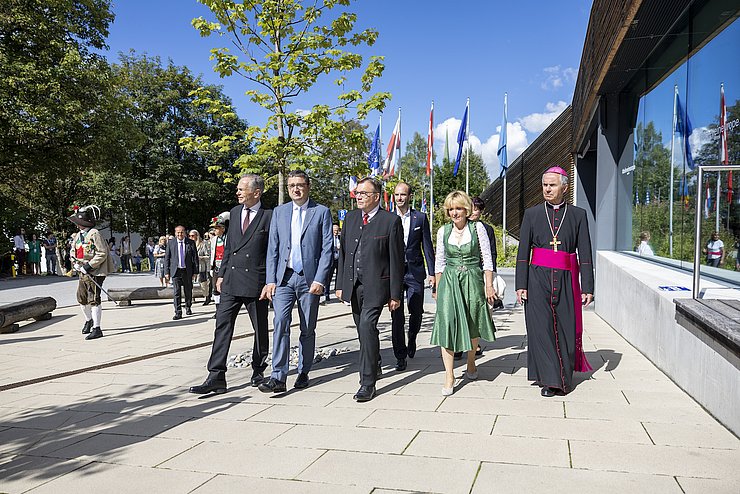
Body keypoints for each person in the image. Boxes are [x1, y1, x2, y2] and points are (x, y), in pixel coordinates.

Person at [515, 166, 594, 397]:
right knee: (541, 329)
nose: (547, 189)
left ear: (564, 187)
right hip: (537, 279)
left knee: (566, 328)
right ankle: (551, 381)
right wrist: (521, 285)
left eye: (552, 185)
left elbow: (585, 253)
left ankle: (563, 374)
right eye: (544, 185)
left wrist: (587, 286)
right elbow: (522, 253)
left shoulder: (578, 215)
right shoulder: (532, 214)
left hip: (567, 279)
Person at [190, 174, 272, 395]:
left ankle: (258, 368)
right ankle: (216, 376)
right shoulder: (234, 214)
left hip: (256, 282)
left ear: (257, 192)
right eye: (237, 189)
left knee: (260, 329)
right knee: (222, 326)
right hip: (231, 281)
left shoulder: (269, 216)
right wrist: (221, 274)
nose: (237, 192)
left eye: (242, 189)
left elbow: (273, 252)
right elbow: (229, 247)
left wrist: (269, 281)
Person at [259, 171, 333, 393]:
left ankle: (303, 370)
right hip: (284, 278)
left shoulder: (321, 212)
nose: (295, 189)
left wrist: (321, 279)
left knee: (307, 326)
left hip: (309, 279)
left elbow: (327, 248)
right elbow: (272, 248)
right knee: (280, 323)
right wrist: (270, 280)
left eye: (300, 185)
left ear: (308, 186)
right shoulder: (279, 212)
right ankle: (278, 377)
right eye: (291, 185)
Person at [336, 177, 405, 402]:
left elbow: (396, 260)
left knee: (367, 325)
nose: (359, 196)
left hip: (377, 285)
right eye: (357, 193)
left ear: (376, 197)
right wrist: (340, 285)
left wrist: (395, 294)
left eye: (364, 193)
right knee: (363, 330)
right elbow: (344, 254)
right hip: (354, 285)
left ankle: (367, 382)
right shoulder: (352, 218)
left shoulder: (390, 221)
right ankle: (375, 363)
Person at [431, 191, 497, 395]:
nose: (454, 212)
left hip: (473, 280)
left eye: (458, 208)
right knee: (447, 324)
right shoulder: (443, 231)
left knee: (472, 321)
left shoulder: (477, 229)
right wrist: (438, 289)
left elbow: (487, 259)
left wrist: (489, 285)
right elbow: (439, 262)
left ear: (466, 209)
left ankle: (470, 362)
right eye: (451, 209)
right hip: (450, 281)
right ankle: (449, 374)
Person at [390, 182, 435, 371]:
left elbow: (427, 246)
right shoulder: (387, 218)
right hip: (395, 272)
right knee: (396, 314)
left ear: (409, 197)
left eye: (403, 195)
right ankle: (400, 355)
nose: (399, 198)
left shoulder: (420, 218)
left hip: (415, 271)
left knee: (416, 311)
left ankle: (413, 335)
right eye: (397, 195)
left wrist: (432, 273)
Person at [454, 196, 499, 360]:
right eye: (473, 208)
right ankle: (459, 343)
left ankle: (475, 341)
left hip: (480, 274)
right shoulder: (457, 228)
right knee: (461, 308)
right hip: (462, 273)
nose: (475, 212)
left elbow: (491, 254)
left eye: (478, 209)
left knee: (477, 309)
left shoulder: (486, 229)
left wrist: (490, 276)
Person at [68, 205, 114, 340]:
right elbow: (73, 250)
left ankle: (97, 328)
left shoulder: (94, 233)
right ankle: (89, 320)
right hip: (81, 270)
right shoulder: (78, 236)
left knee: (94, 299)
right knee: (81, 298)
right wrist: (75, 262)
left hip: (95, 271)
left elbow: (102, 253)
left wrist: (88, 266)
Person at [165, 226, 198, 320]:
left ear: (185, 233)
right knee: (176, 292)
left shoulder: (190, 243)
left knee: (188, 291)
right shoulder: (171, 243)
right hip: (176, 271)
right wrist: (166, 272)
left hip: (187, 271)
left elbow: (195, 258)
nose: (180, 234)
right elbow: (167, 258)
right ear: (175, 233)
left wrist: (195, 272)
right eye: (178, 232)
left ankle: (188, 307)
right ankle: (178, 312)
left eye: (182, 232)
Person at [208, 213, 229, 316]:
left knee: (225, 288)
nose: (214, 231)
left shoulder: (228, 238)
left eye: (216, 228)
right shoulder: (214, 240)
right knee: (216, 289)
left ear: (223, 229)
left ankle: (225, 308)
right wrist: (211, 267)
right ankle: (218, 310)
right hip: (216, 266)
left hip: (226, 267)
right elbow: (213, 254)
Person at [190, 229, 212, 305]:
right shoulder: (189, 244)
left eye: (193, 236)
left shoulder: (203, 244)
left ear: (197, 236)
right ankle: (191, 298)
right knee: (190, 283)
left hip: (201, 266)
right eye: (190, 236)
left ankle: (207, 297)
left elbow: (208, 256)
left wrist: (200, 257)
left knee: (203, 283)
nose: (191, 237)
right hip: (191, 267)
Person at [324, 223, 341, 303]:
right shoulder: (328, 238)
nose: (336, 232)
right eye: (334, 230)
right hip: (330, 260)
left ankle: (339, 294)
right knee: (328, 278)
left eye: (337, 230)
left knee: (339, 278)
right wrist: (335, 248)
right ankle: (326, 295)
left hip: (339, 260)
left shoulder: (340, 238)